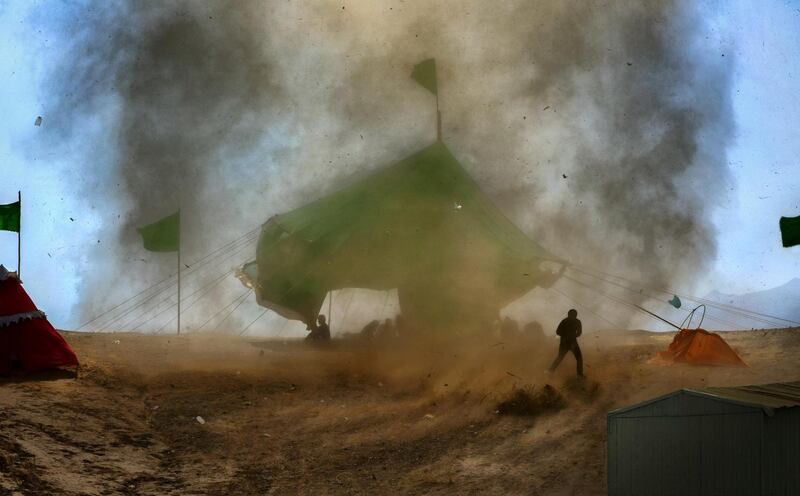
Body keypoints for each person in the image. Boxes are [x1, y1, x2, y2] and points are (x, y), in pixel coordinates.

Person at [547, 309, 584, 377]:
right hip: (571, 342)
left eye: (573, 315)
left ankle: (550, 371)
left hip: (566, 342)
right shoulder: (576, 321)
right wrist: (571, 335)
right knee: (578, 358)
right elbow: (579, 333)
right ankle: (580, 374)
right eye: (572, 315)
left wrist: (567, 335)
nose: (573, 316)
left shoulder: (565, 321)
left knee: (560, 357)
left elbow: (558, 332)